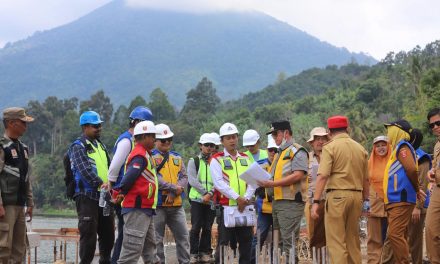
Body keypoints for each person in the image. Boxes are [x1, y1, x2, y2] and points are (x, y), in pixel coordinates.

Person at [311, 115, 369, 264]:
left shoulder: (329, 148)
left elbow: (323, 176)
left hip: (337, 197)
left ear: (329, 131)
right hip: (356, 197)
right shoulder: (360, 148)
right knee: (353, 241)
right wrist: (366, 200)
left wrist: (316, 201)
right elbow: (366, 179)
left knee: (336, 243)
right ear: (347, 129)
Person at [258, 120, 309, 262]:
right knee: (279, 241)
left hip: (291, 203)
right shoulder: (280, 153)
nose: (274, 138)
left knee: (289, 241)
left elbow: (298, 174)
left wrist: (272, 183)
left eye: (276, 134)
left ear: (286, 133)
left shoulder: (297, 151)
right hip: (278, 202)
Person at [108, 106, 153, 264]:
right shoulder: (127, 141)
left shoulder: (137, 145)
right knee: (127, 239)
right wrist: (114, 189)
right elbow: (114, 167)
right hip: (127, 195)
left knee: (126, 236)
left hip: (129, 195)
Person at [68, 111, 114, 264]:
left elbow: (109, 167)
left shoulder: (100, 145)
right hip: (87, 197)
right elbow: (85, 170)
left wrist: (112, 185)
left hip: (104, 197)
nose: (99, 128)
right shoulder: (78, 146)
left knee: (108, 236)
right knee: (89, 237)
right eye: (95, 126)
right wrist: (101, 183)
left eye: (100, 125)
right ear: (85, 127)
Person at [210, 122, 255, 264]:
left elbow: (253, 180)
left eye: (234, 137)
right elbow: (218, 183)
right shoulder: (217, 159)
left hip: (245, 207)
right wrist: (237, 198)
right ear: (222, 141)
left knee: (246, 243)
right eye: (228, 138)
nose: (232, 140)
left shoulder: (246, 158)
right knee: (223, 244)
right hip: (226, 208)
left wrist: (246, 198)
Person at [382, 120, 425, 264]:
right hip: (396, 199)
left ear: (398, 131)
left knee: (394, 234)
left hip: (401, 198)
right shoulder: (397, 149)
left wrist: (417, 189)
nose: (388, 133)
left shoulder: (403, 147)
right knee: (400, 234)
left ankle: (403, 261)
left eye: (390, 129)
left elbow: (412, 169)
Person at [117, 120, 159, 264]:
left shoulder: (146, 155)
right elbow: (130, 177)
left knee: (150, 249)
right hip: (137, 208)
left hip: (145, 209)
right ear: (144, 137)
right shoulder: (140, 155)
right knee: (131, 251)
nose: (155, 139)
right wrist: (120, 192)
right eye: (152, 136)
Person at [0, 107, 34, 264]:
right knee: (3, 247)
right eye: (23, 123)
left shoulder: (24, 148)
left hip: (20, 205)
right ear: (11, 123)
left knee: (19, 248)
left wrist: (30, 203)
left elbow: (26, 178)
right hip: (6, 206)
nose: (26, 126)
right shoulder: (2, 147)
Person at [152, 123, 190, 264]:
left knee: (183, 237)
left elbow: (184, 177)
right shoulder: (151, 158)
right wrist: (174, 188)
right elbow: (155, 178)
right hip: (158, 205)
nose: (167, 142)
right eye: (163, 140)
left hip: (176, 204)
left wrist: (175, 192)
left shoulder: (177, 157)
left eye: (169, 139)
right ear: (155, 141)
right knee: (157, 240)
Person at [187, 133, 216, 263]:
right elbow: (192, 180)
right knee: (196, 227)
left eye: (211, 145)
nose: (209, 147)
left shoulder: (216, 162)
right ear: (200, 146)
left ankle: (204, 252)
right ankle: (193, 253)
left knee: (208, 227)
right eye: (206, 145)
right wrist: (205, 193)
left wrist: (210, 193)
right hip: (197, 200)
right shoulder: (194, 161)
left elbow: (219, 180)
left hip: (211, 200)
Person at [251, 135, 277, 264]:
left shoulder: (285, 165)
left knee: (277, 239)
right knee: (259, 237)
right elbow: (250, 184)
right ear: (267, 150)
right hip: (264, 208)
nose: (273, 152)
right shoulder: (259, 165)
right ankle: (252, 261)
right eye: (271, 149)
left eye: (276, 150)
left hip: (280, 208)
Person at [407, 129, 431, 264]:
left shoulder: (422, 158)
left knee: (415, 241)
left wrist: (417, 207)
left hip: (418, 206)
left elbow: (422, 184)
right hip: (406, 204)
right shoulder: (406, 155)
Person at [366, 136, 391, 264]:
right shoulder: (369, 163)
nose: (381, 148)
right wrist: (365, 204)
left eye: (383, 145)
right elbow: (365, 183)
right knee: (374, 238)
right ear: (374, 148)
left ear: (389, 146)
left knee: (391, 237)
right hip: (373, 205)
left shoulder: (393, 161)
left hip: (391, 204)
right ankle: (374, 261)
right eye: (377, 145)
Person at [305, 127, 329, 261]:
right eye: (317, 139)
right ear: (312, 143)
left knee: (332, 236)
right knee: (315, 236)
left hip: (332, 200)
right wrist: (305, 179)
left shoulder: (332, 156)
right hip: (313, 202)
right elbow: (299, 178)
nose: (320, 142)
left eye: (323, 139)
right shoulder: (306, 159)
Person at [425, 107, 440, 264]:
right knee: (430, 229)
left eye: (438, 123)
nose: (435, 127)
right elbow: (435, 166)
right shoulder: (437, 145)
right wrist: (431, 171)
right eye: (432, 125)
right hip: (437, 190)